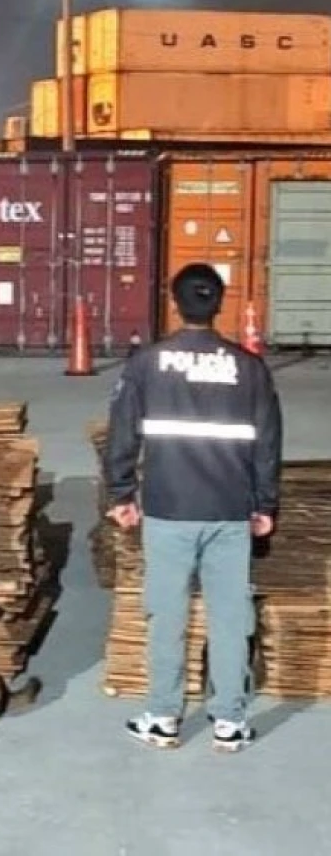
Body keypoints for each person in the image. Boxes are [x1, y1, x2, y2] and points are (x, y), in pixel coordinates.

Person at [105, 263, 282, 753]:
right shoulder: (250, 369)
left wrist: (121, 494)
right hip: (229, 511)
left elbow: (122, 434)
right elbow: (268, 444)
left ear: (173, 302)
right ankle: (230, 721)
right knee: (230, 618)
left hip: (169, 509)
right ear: (219, 305)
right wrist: (265, 504)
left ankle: (164, 717)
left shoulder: (146, 364)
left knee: (167, 616)